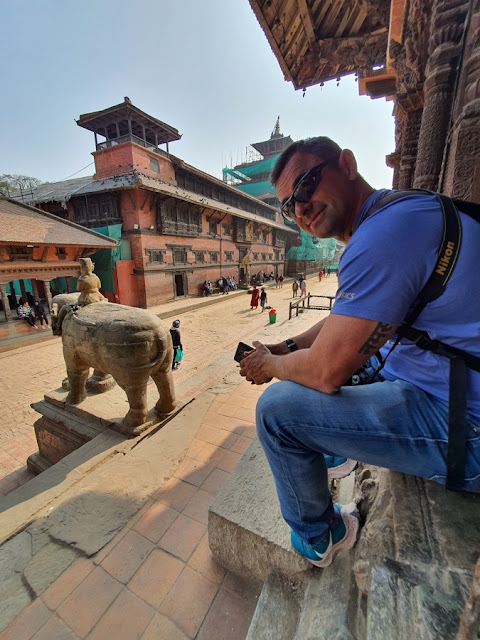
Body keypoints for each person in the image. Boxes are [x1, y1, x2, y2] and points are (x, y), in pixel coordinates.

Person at [239, 135, 480, 569]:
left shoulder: (379, 239)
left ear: (346, 164)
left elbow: (326, 370)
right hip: (452, 376)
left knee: (276, 411)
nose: (301, 208)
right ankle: (337, 448)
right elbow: (348, 324)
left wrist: (272, 364)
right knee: (349, 356)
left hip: (469, 422)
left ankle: (318, 536)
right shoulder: (403, 210)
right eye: (287, 205)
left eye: (307, 185)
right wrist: (286, 345)